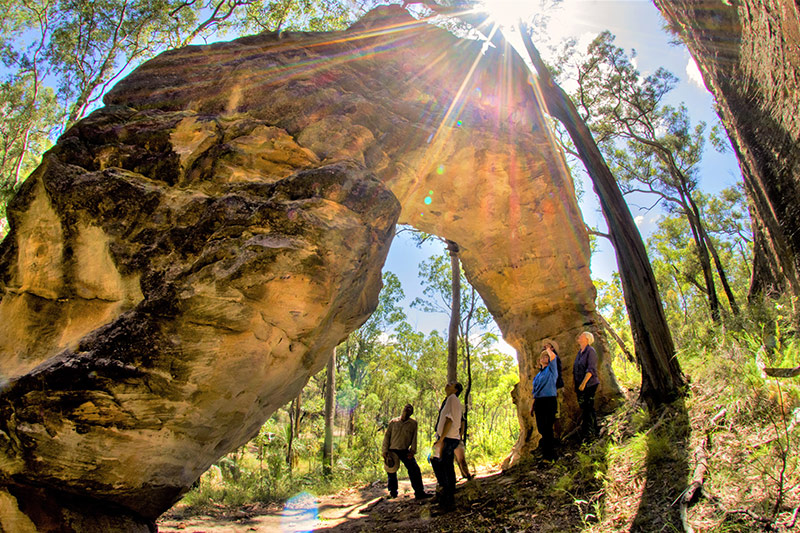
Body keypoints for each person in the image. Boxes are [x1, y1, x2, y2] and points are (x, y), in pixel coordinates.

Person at [382, 404, 431, 500]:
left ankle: (419, 492)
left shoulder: (413, 424)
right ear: (403, 410)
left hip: (405, 450)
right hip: (392, 450)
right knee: (391, 471)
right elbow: (387, 437)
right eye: (406, 408)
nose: (407, 410)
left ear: (411, 413)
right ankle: (393, 493)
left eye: (410, 409)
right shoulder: (393, 422)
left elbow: (414, 438)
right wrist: (385, 451)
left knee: (414, 469)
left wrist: (413, 451)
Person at [431, 382, 463, 509]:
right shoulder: (450, 399)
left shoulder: (452, 399)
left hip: (448, 439)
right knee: (438, 462)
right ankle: (445, 495)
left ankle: (448, 501)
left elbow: (450, 420)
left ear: (455, 390)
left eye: (451, 384)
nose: (447, 384)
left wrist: (441, 440)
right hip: (446, 438)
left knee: (444, 466)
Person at [530, 345, 558, 460]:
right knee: (541, 428)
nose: (544, 358)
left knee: (547, 428)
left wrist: (548, 349)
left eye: (546, 357)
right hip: (539, 402)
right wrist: (532, 406)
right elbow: (535, 392)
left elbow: (553, 357)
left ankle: (550, 455)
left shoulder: (551, 370)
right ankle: (546, 454)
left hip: (549, 401)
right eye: (542, 357)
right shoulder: (538, 375)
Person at [573, 331, 600, 439]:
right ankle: (589, 431)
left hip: (590, 384)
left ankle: (593, 431)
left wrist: (584, 383)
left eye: (582, 335)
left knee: (589, 406)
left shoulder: (590, 351)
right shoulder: (579, 353)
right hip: (580, 385)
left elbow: (591, 369)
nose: (579, 336)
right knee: (584, 407)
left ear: (587, 339)